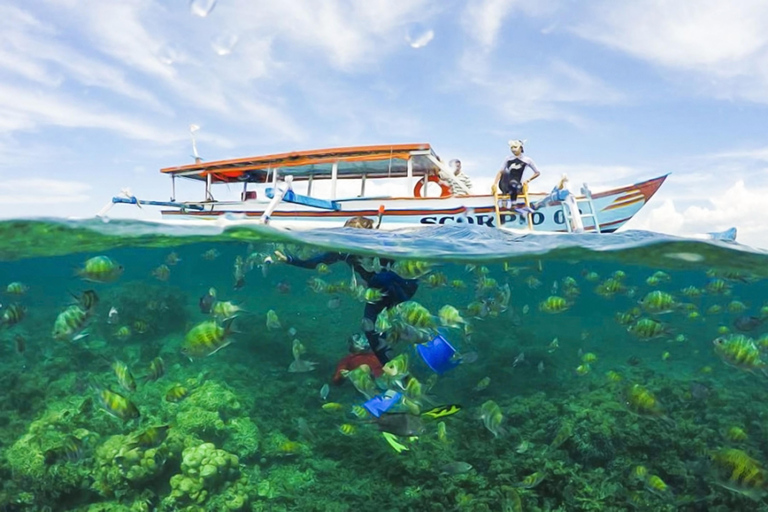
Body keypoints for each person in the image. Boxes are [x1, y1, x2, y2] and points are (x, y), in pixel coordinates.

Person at [274, 216, 418, 366]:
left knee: (381, 279)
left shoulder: (381, 245)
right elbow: (317, 262)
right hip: (378, 293)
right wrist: (289, 259)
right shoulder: (346, 252)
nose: (353, 243)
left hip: (404, 286)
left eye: (358, 238)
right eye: (349, 238)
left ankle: (410, 330)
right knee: (369, 327)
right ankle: (392, 369)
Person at [492, 139, 541, 205]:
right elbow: (501, 172)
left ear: (520, 148)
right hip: (506, 185)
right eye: (511, 148)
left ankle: (513, 203)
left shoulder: (527, 160)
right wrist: (494, 183)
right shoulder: (508, 158)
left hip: (517, 185)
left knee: (514, 184)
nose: (513, 149)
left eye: (515, 147)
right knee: (505, 173)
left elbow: (537, 172)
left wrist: (528, 180)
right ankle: (504, 196)